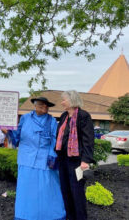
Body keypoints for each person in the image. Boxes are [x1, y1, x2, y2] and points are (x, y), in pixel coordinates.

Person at [9, 97, 66, 220]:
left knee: (47, 188)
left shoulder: (51, 121)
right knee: (26, 189)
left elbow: (54, 140)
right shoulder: (25, 118)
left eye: (46, 106)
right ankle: (24, 215)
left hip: (44, 159)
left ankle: (51, 215)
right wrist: (7, 131)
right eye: (41, 105)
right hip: (26, 158)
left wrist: (52, 155)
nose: (44, 108)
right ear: (35, 106)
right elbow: (16, 135)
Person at [56, 90, 95, 220]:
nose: (62, 102)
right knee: (65, 191)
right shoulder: (63, 116)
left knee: (77, 193)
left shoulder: (83, 116)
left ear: (72, 100)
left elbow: (88, 139)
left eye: (64, 100)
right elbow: (59, 137)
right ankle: (70, 217)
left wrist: (86, 160)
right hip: (63, 160)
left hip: (77, 162)